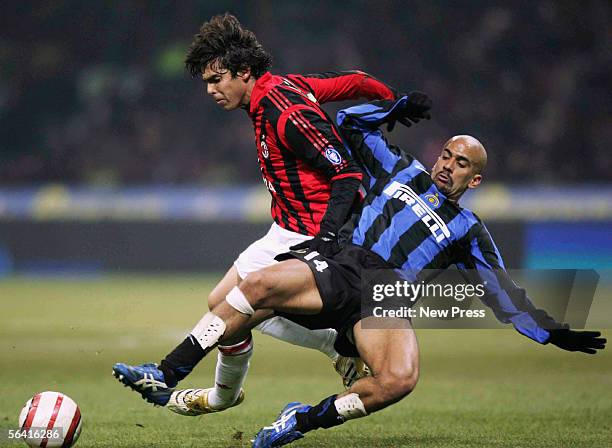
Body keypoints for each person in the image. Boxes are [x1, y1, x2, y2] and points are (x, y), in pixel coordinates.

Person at [118, 95, 605, 447]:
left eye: (460, 164)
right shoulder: (402, 170)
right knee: (258, 284)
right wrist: (392, 110)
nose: (447, 166)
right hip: (346, 265)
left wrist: (550, 332)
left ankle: (302, 421)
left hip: (388, 299)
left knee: (399, 379)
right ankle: (163, 372)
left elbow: (504, 294)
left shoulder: (470, 231)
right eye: (446, 155)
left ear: (474, 179)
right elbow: (350, 123)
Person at [112, 13, 432, 415]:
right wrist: (392, 99)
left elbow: (347, 173)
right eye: (207, 82)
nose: (211, 90)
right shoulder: (278, 89)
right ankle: (239, 390)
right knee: (221, 303)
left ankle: (167, 374)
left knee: (241, 305)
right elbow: (354, 80)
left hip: (312, 233)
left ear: (244, 72)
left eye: (217, 79)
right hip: (285, 225)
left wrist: (329, 236)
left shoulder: (287, 111)